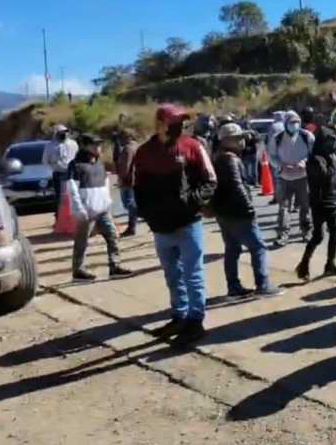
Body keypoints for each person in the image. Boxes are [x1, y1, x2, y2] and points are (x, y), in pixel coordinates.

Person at [133, 104, 218, 347]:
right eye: (174, 122)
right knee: (172, 275)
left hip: (188, 224)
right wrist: (148, 215)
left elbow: (210, 180)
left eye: (181, 123)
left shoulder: (192, 146)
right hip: (160, 227)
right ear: (160, 124)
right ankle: (179, 315)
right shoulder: (144, 153)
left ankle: (195, 321)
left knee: (193, 274)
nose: (179, 127)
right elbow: (139, 188)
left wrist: (191, 202)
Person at [211, 123, 281, 297]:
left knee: (232, 249)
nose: (242, 142)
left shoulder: (218, 157)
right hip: (238, 212)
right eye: (238, 138)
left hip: (223, 212)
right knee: (258, 247)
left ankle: (233, 287)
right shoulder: (230, 160)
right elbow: (237, 187)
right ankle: (263, 285)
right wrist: (249, 209)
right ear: (228, 140)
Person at [68, 134, 133, 282]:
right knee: (82, 241)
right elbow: (71, 189)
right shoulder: (76, 165)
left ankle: (115, 267)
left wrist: (108, 203)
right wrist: (79, 209)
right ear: (85, 146)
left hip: (103, 209)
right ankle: (78, 270)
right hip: (87, 211)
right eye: (95, 144)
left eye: (99, 144)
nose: (99, 147)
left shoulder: (99, 163)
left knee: (112, 236)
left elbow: (105, 184)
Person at [294, 126, 336, 280]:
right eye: (330, 142)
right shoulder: (315, 159)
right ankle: (304, 264)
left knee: (335, 232)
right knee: (318, 236)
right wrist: (332, 161)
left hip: (332, 200)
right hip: (320, 202)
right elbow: (323, 176)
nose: (333, 145)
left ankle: (330, 264)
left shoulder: (331, 156)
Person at [269, 111, 314, 245]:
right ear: (285, 123)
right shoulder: (277, 138)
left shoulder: (307, 136)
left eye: (297, 122)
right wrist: (281, 165)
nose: (294, 125)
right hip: (285, 177)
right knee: (284, 207)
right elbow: (272, 156)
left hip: (303, 176)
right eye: (292, 122)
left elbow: (314, 154)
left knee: (305, 206)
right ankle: (283, 235)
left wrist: (304, 162)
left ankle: (306, 232)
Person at [42, 124, 78, 215]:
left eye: (65, 132)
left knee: (75, 194)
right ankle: (61, 215)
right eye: (61, 133)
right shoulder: (50, 146)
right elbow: (45, 161)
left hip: (73, 173)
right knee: (60, 196)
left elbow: (77, 157)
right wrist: (54, 166)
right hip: (59, 174)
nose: (64, 134)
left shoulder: (73, 144)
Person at [115, 129, 139, 237]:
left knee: (128, 203)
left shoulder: (127, 149)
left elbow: (126, 166)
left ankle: (132, 227)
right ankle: (132, 226)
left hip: (128, 181)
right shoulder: (137, 146)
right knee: (133, 203)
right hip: (137, 179)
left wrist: (121, 179)